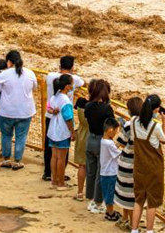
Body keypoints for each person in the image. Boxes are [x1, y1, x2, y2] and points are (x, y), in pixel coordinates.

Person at [0, 50, 37, 171]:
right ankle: (17, 161)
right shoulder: (30, 73)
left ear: (9, 61)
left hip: (7, 111)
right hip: (25, 111)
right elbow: (35, 87)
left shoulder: (4, 74)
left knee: (6, 135)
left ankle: (6, 159)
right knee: (21, 136)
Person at [130, 94, 165, 233]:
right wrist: (164, 122)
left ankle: (134, 230)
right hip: (154, 169)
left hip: (139, 167)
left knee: (139, 199)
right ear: (156, 109)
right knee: (152, 202)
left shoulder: (133, 121)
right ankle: (149, 230)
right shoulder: (156, 127)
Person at [43, 55, 84, 181]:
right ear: (72, 67)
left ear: (60, 66)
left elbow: (46, 79)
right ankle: (60, 176)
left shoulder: (50, 76)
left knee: (50, 148)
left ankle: (48, 173)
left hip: (50, 115)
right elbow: (82, 82)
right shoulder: (74, 79)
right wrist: (72, 132)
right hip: (63, 119)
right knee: (62, 151)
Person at [84, 79, 114, 213]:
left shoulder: (88, 106)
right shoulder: (107, 108)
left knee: (90, 172)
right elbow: (111, 124)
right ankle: (98, 202)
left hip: (91, 139)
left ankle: (90, 199)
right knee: (100, 173)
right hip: (102, 141)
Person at [114, 97, 143, 229]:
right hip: (140, 164)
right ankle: (132, 223)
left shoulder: (128, 125)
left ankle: (128, 221)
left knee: (125, 193)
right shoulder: (147, 124)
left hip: (126, 163)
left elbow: (119, 143)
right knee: (134, 195)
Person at [47, 74, 75, 190]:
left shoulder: (54, 97)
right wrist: (72, 132)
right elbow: (68, 118)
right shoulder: (66, 101)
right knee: (61, 158)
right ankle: (61, 183)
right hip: (62, 131)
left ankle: (54, 180)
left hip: (53, 130)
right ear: (67, 86)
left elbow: (49, 108)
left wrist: (53, 111)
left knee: (54, 156)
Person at [73, 81, 94, 201]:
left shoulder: (81, 103)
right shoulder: (97, 106)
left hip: (82, 135)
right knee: (94, 168)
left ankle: (80, 192)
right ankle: (92, 195)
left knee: (82, 165)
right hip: (93, 135)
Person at [100, 117, 122, 222]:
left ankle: (109, 211)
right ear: (110, 130)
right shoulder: (109, 143)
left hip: (105, 172)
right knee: (110, 194)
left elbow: (113, 148)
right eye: (116, 132)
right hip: (110, 172)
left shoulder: (104, 141)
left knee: (107, 192)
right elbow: (118, 154)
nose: (116, 134)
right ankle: (110, 213)